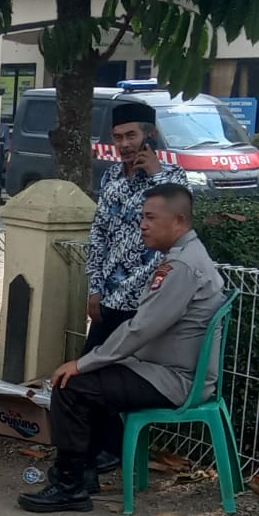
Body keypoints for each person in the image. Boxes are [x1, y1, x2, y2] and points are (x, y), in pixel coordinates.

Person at [19, 183, 225, 513]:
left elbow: (141, 329)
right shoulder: (185, 257)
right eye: (142, 217)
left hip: (172, 379)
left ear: (178, 220)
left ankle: (69, 486)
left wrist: (84, 363)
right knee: (90, 381)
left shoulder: (182, 267)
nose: (142, 225)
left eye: (150, 218)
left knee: (71, 386)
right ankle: (83, 472)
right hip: (162, 370)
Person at [85, 101, 189, 350]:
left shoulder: (174, 176)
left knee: (130, 369)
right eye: (117, 137)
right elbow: (99, 233)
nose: (124, 144)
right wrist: (94, 287)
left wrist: (156, 175)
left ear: (150, 135)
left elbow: (176, 225)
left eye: (131, 136)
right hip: (110, 296)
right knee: (90, 365)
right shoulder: (111, 176)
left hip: (149, 300)